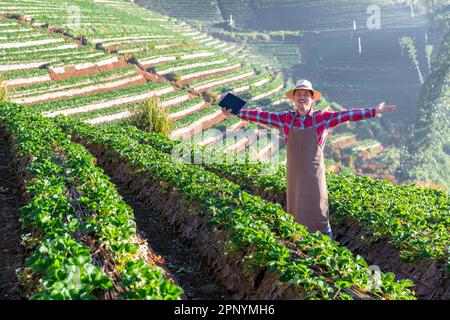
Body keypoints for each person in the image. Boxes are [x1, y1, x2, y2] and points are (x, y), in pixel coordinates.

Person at [221, 79, 396, 239]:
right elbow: (261, 116)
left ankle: (328, 244)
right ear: (294, 99)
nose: (302, 98)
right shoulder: (285, 118)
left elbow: (347, 115)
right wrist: (236, 112)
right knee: (296, 212)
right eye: (299, 95)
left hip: (314, 176)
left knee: (319, 211)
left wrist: (374, 111)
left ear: (313, 99)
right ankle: (299, 246)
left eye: (306, 95)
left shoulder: (323, 118)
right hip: (294, 176)